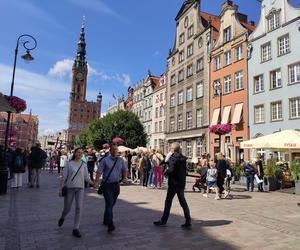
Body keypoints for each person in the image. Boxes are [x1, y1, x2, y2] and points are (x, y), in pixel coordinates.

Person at [153, 142, 191, 229]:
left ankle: (163, 220)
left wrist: (165, 172)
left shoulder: (173, 158)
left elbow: (171, 170)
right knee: (183, 202)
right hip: (181, 184)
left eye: (170, 148)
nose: (170, 149)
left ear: (173, 149)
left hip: (173, 184)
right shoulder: (183, 158)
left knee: (168, 202)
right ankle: (188, 220)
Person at [58, 148, 93, 238]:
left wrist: (94, 183)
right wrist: (61, 189)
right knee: (67, 208)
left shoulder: (83, 165)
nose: (80, 154)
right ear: (75, 153)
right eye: (78, 152)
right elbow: (64, 177)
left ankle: (76, 228)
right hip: (70, 188)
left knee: (78, 207)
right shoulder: (69, 164)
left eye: (81, 153)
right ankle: (63, 216)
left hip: (80, 188)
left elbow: (86, 177)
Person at [94, 143, 128, 233]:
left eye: (116, 150)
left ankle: (106, 219)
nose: (115, 151)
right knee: (109, 204)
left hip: (116, 185)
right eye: (113, 150)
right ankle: (110, 224)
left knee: (111, 204)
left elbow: (125, 169)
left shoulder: (120, 160)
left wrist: (124, 178)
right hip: (107, 185)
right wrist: (96, 182)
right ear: (110, 151)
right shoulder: (105, 160)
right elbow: (99, 172)